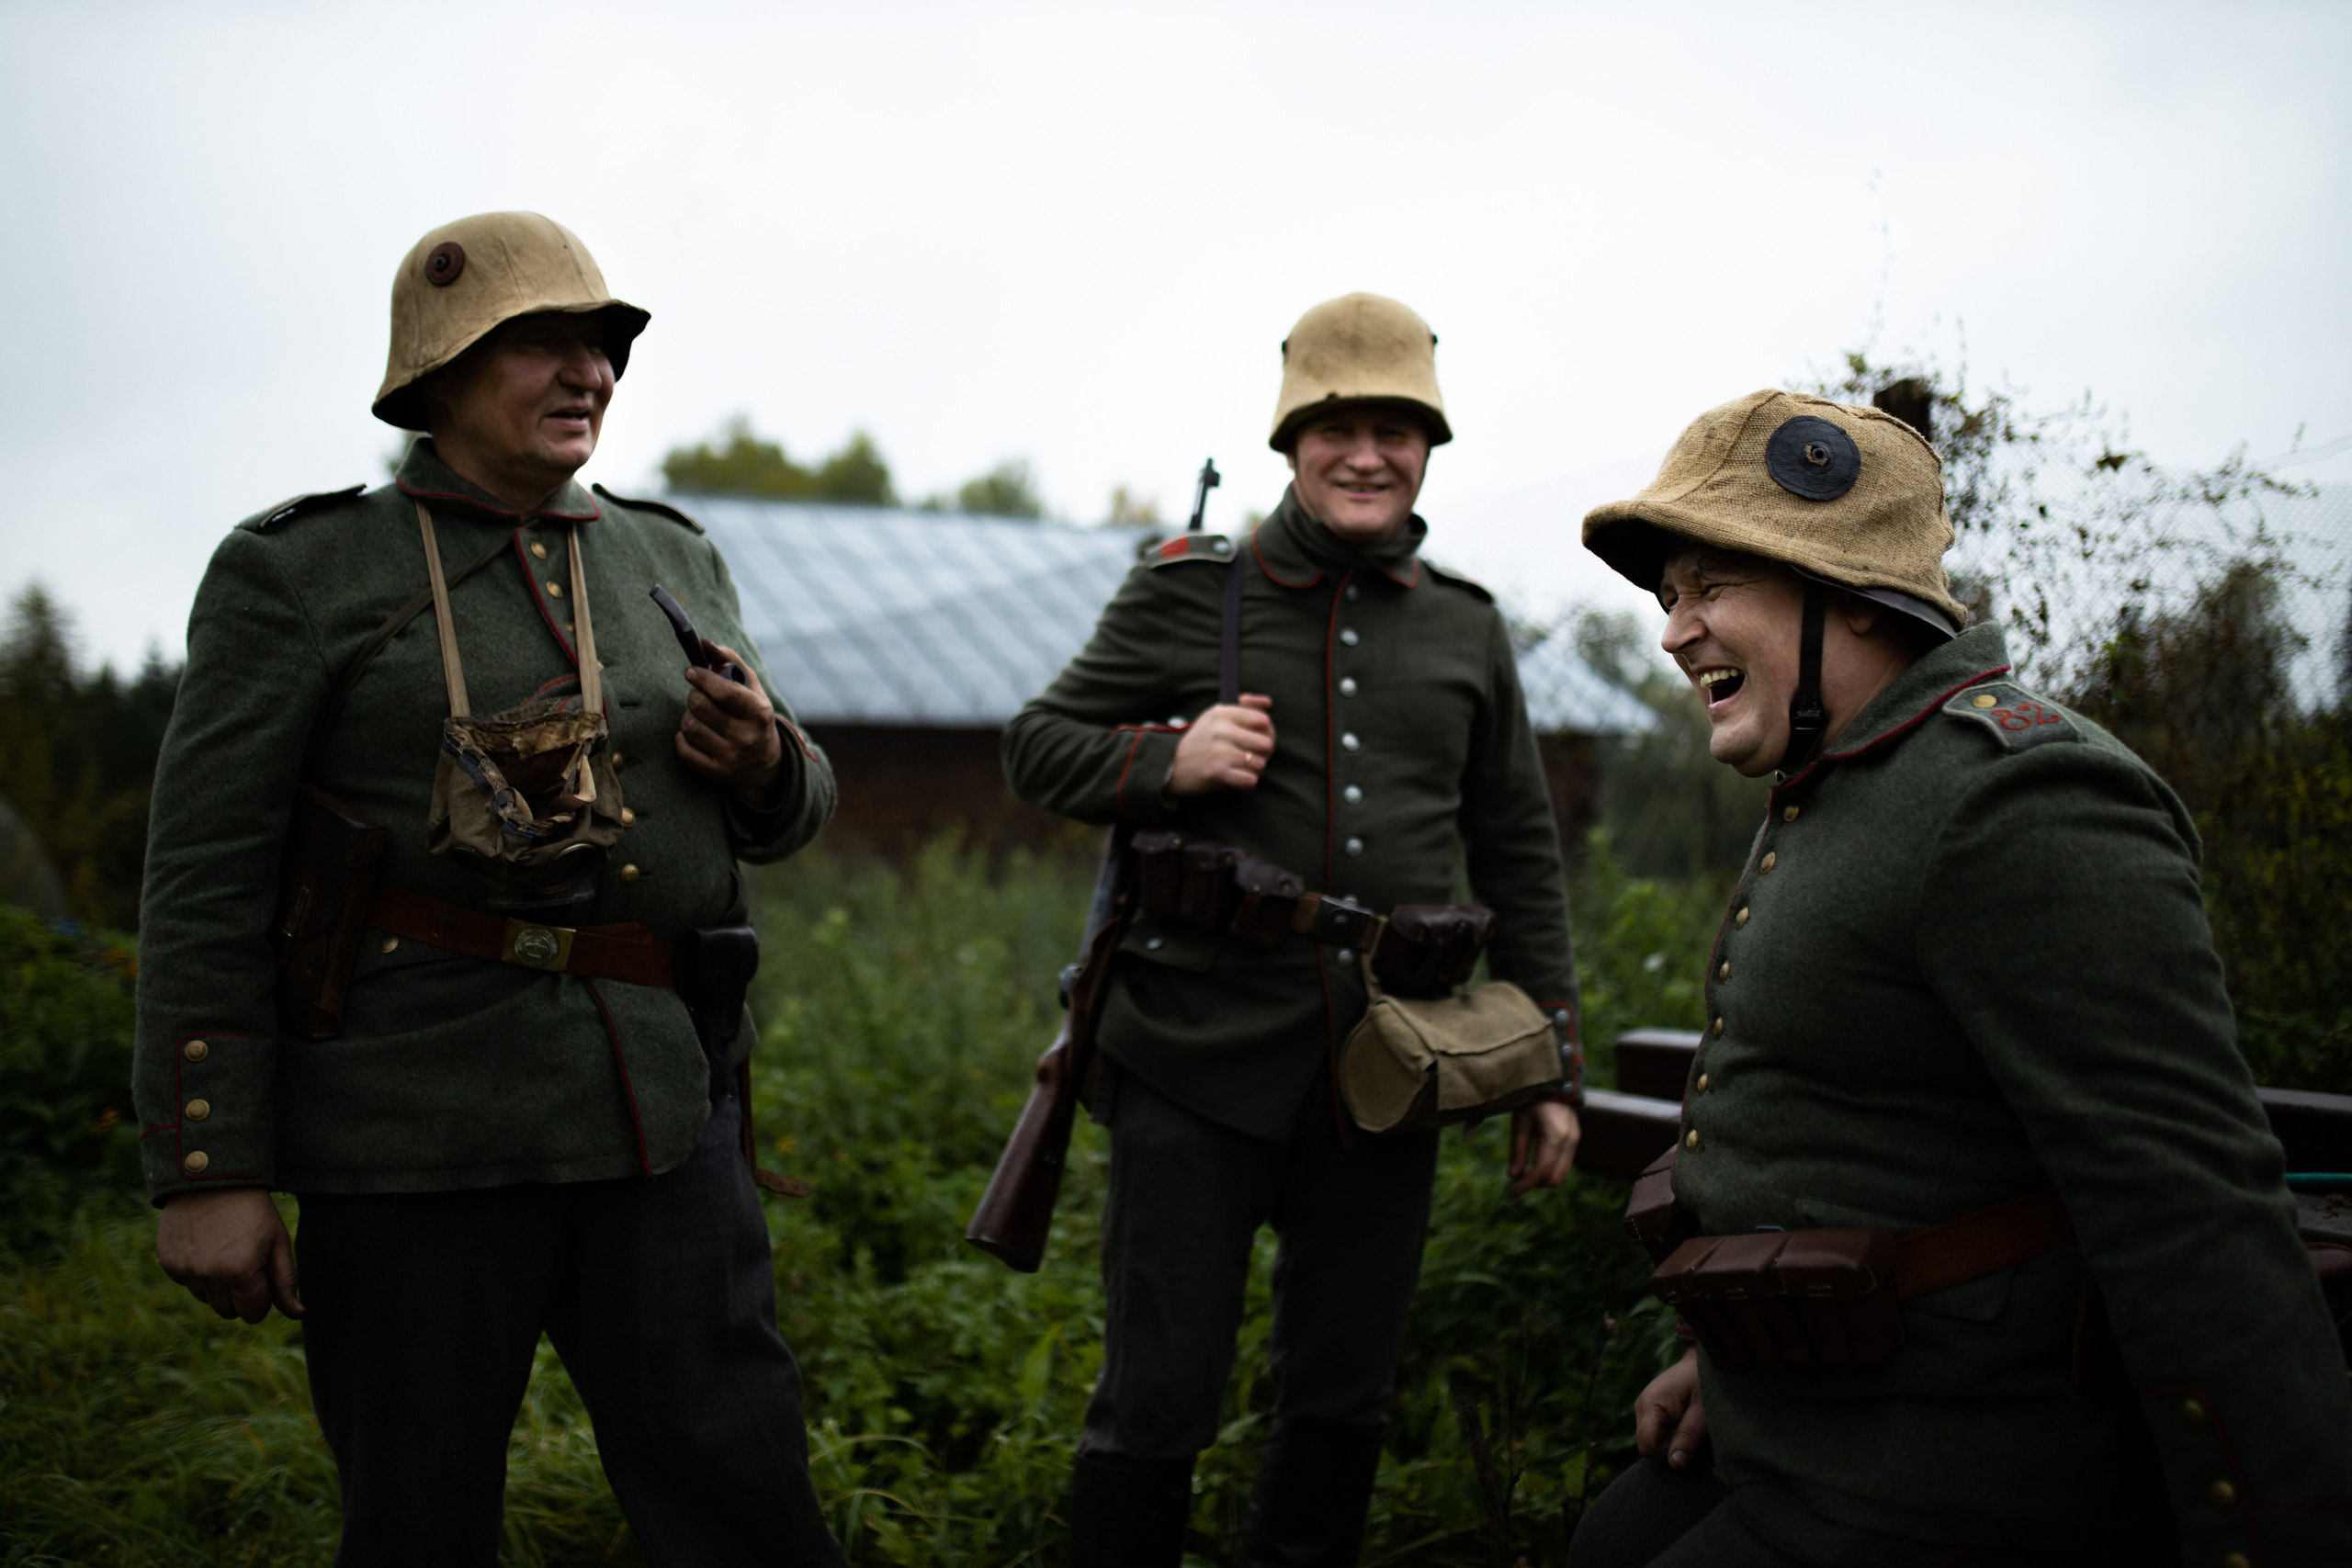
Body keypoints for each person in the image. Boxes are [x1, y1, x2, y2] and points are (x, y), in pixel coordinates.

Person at [132, 210, 846, 1565]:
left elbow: (795, 797)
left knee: (744, 1501)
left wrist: (765, 762)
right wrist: (207, 1165)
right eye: (543, 344)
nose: (589, 372)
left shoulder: (668, 556)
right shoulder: (299, 572)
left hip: (662, 1112)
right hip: (415, 1134)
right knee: (418, 1518)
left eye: (603, 345)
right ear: (442, 372)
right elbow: (204, 876)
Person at [1565, 389, 2352, 1566]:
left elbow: (2186, 1206)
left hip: (1949, 1482)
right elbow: (1871, 1144)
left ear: (1851, 598)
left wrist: (2277, 1536)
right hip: (1813, 1426)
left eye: (1712, 589)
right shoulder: (1845, 779)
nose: (1675, 632)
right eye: (1672, 595)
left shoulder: (2014, 799)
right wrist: (1724, 1375)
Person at [1002, 292, 1586, 1567]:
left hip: (1392, 1067)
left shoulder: (1467, 624)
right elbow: (1035, 745)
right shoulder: (1188, 595)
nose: (1367, 453)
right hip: (1191, 1056)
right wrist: (1168, 756)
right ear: (1291, 440)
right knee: (1157, 1400)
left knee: (1342, 1402)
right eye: (1338, 426)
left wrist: (1555, 1065)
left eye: (1397, 426)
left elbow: (1521, 852)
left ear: (1429, 444)